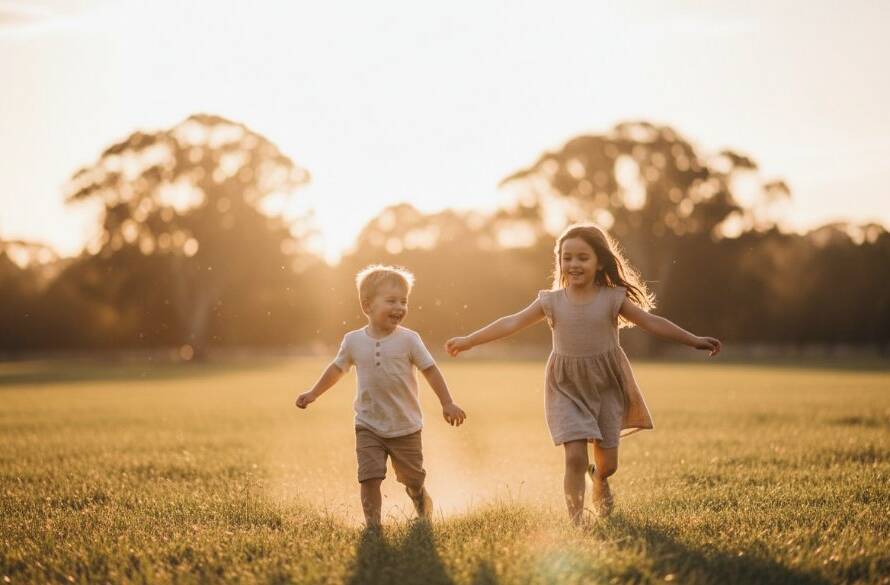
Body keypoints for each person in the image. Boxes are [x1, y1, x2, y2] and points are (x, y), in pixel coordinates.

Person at [445, 224, 721, 523]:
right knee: (575, 456)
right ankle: (577, 523)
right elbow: (511, 322)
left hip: (606, 385)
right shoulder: (551, 301)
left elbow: (650, 322)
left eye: (582, 258)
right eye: (567, 258)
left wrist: (693, 340)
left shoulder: (612, 298)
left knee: (608, 465)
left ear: (599, 261)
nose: (573, 264)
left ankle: (600, 480)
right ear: (559, 261)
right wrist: (470, 340)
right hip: (566, 386)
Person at [296, 264, 466, 528]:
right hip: (368, 425)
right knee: (369, 477)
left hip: (405, 427)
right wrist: (313, 393)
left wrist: (447, 402)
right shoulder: (353, 341)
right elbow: (336, 369)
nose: (399, 307)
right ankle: (373, 526)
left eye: (403, 301)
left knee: (412, 479)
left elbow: (431, 370)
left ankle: (419, 498)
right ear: (367, 306)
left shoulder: (409, 340)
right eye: (391, 301)